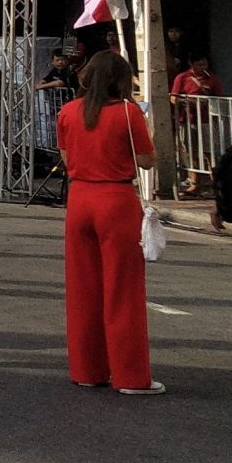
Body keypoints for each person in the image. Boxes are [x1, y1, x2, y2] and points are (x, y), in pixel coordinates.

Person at [56, 50, 161, 395]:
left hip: (80, 199)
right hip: (115, 201)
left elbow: (67, 156)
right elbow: (146, 160)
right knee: (123, 291)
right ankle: (131, 376)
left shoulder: (69, 111)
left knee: (83, 290)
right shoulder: (128, 113)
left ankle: (88, 369)